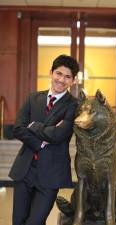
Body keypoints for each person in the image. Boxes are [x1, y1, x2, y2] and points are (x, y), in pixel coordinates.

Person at [9, 54, 79, 225]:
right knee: (18, 221)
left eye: (67, 76)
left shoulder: (74, 105)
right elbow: (18, 128)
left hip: (51, 173)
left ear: (73, 80)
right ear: (51, 73)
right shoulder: (33, 98)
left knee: (35, 221)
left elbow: (60, 135)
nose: (61, 80)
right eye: (59, 74)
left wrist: (33, 126)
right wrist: (39, 143)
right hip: (25, 169)